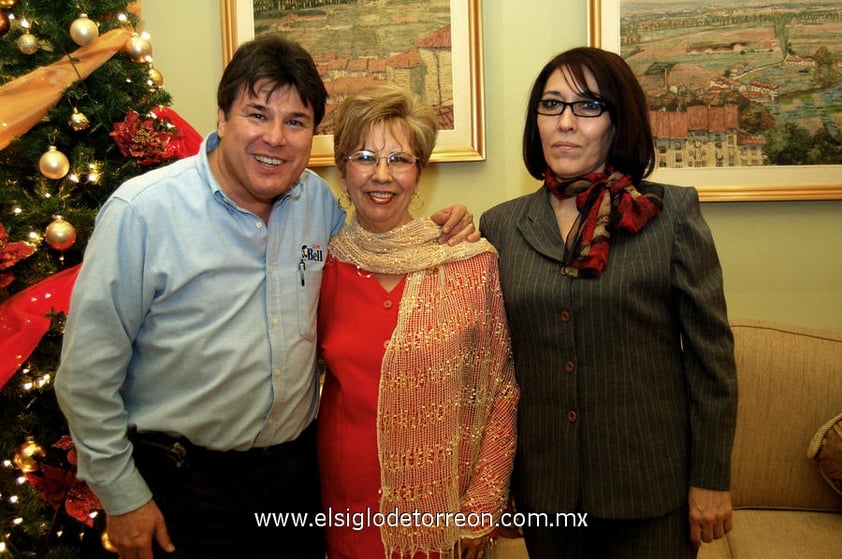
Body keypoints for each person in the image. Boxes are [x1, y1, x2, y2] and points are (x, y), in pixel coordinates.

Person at [54, 35, 476, 559]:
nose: (275, 138)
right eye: (257, 114)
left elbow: (377, 244)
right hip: (182, 485)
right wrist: (122, 496)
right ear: (223, 117)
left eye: (295, 122)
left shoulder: (316, 205)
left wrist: (445, 228)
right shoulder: (144, 213)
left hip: (293, 483)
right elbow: (85, 376)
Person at [479, 47, 739, 558]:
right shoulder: (500, 226)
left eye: (588, 106)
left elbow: (713, 360)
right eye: (551, 105)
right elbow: (494, 369)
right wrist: (497, 480)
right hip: (547, 493)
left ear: (618, 124)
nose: (566, 123)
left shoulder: (670, 214)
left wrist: (711, 478)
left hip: (648, 488)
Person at [316, 83, 519, 559]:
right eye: (364, 157)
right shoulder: (320, 266)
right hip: (344, 509)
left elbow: (500, 387)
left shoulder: (469, 261)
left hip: (445, 510)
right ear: (342, 171)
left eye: (400, 159)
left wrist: (483, 506)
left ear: (419, 173)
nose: (381, 175)